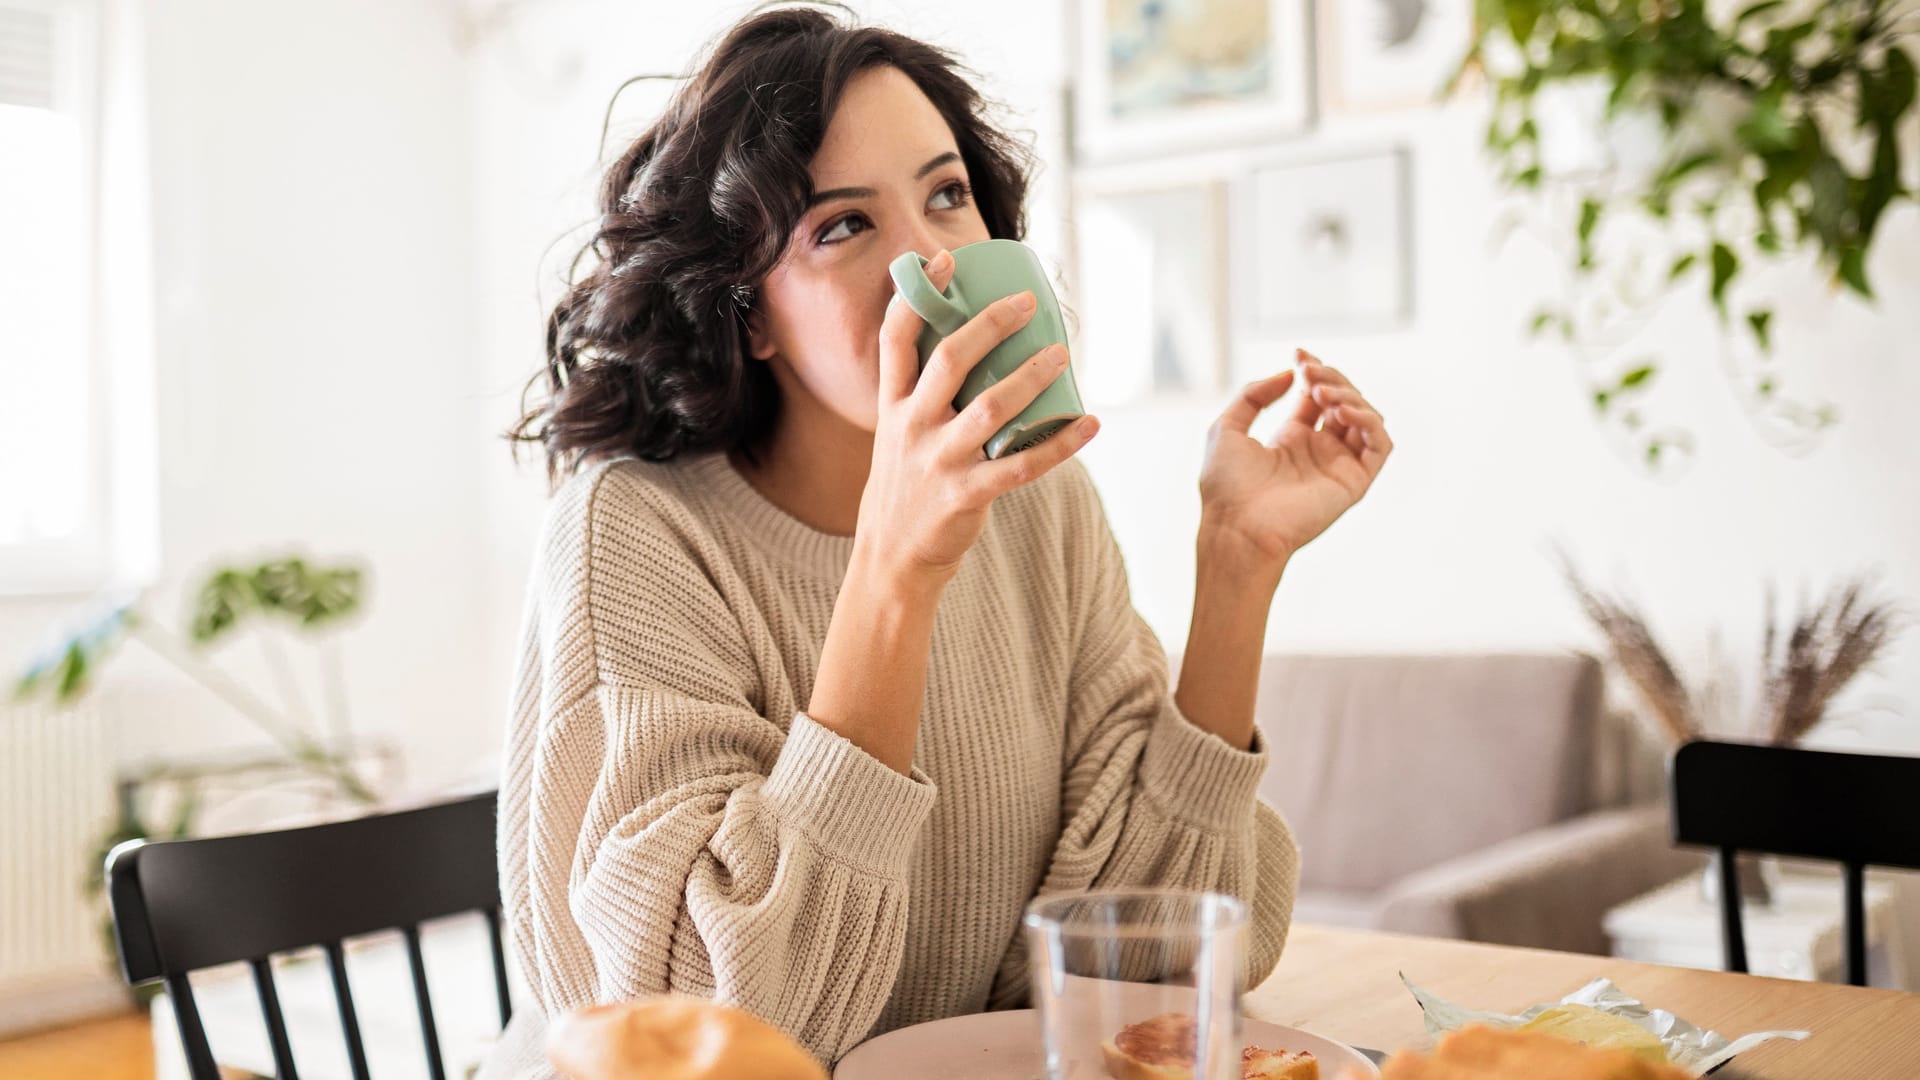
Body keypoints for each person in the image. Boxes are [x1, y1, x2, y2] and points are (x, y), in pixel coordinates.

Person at [483, 6, 1393, 1077]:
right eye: (842, 226)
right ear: (752, 315)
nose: (932, 265)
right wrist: (896, 574)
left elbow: (1146, 966)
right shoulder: (633, 532)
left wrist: (1236, 565)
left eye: (948, 196)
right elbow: (711, 1038)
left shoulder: (1039, 506)